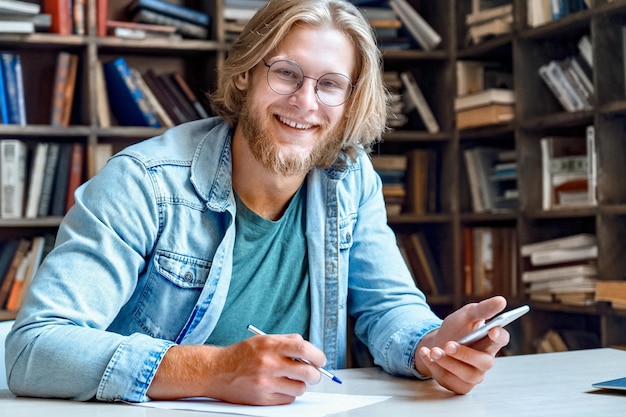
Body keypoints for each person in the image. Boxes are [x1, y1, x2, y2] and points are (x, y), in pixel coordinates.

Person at [5, 0, 510, 405]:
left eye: (330, 85)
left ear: (349, 101)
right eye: (287, 73)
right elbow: (34, 349)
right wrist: (217, 370)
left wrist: (431, 349)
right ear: (245, 73)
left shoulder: (349, 179)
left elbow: (388, 308)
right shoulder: (144, 183)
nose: (305, 102)